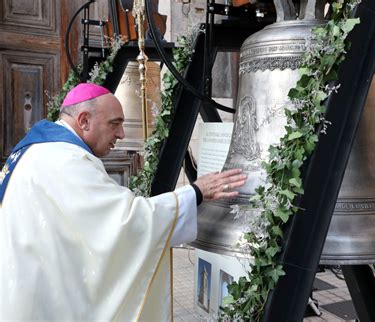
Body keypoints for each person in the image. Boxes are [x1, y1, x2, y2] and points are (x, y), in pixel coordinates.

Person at [0, 83, 246, 321]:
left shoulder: (38, 150)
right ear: (84, 120)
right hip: (38, 293)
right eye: (114, 123)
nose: (121, 134)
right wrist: (196, 192)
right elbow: (125, 222)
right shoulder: (64, 161)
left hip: (24, 280)